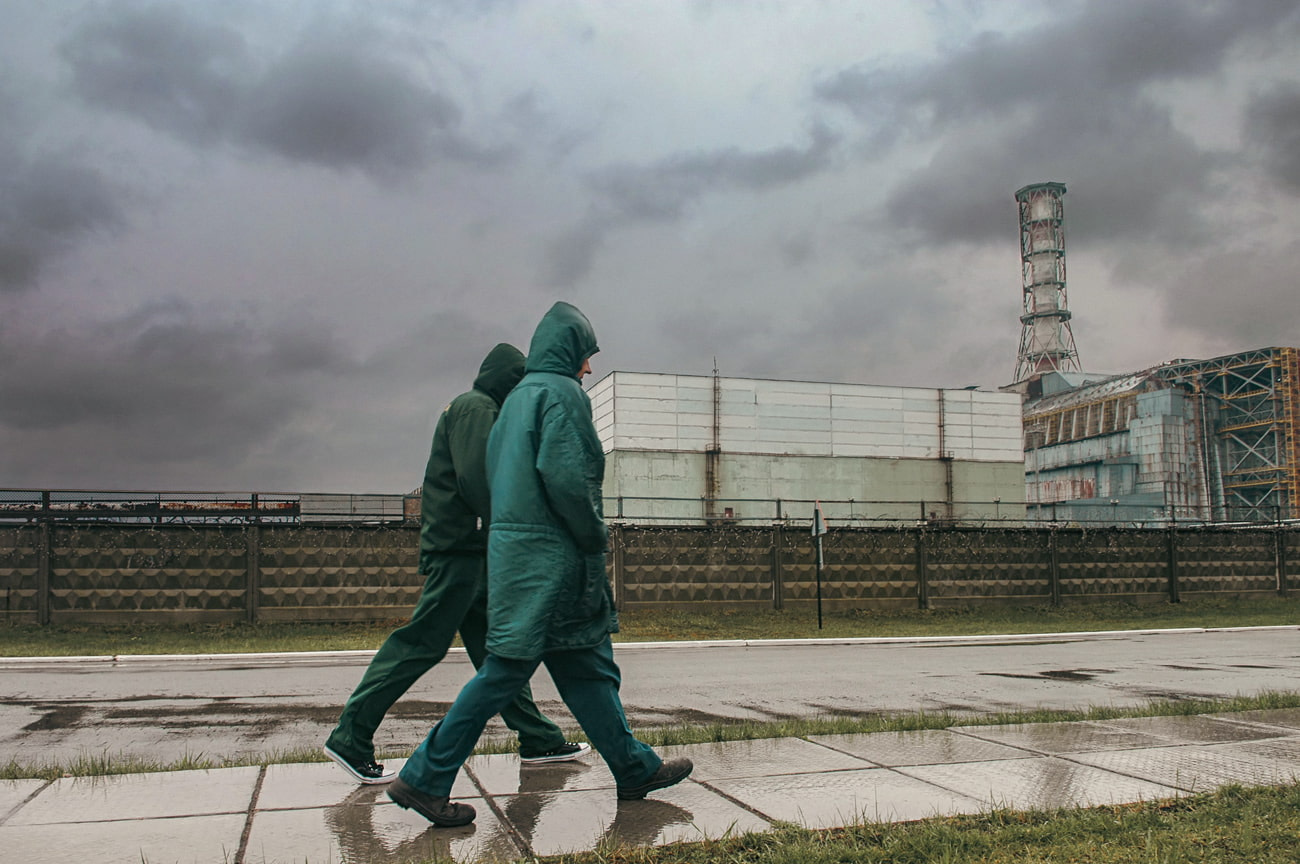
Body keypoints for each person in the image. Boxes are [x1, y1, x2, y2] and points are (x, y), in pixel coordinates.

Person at [388, 302, 692, 826]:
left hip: (517, 555)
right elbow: (570, 479)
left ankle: (633, 767)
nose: (589, 367)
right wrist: (594, 535)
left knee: (587, 668)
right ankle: (424, 778)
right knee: (506, 671)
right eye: (586, 355)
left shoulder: (515, 402)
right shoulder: (562, 395)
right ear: (569, 352)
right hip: (556, 560)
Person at [324, 342, 589, 784]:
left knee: (498, 655)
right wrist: (517, 531)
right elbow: (479, 478)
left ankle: (538, 738)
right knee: (420, 644)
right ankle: (350, 737)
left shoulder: (481, 408)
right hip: (459, 551)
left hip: (471, 551)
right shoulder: (476, 408)